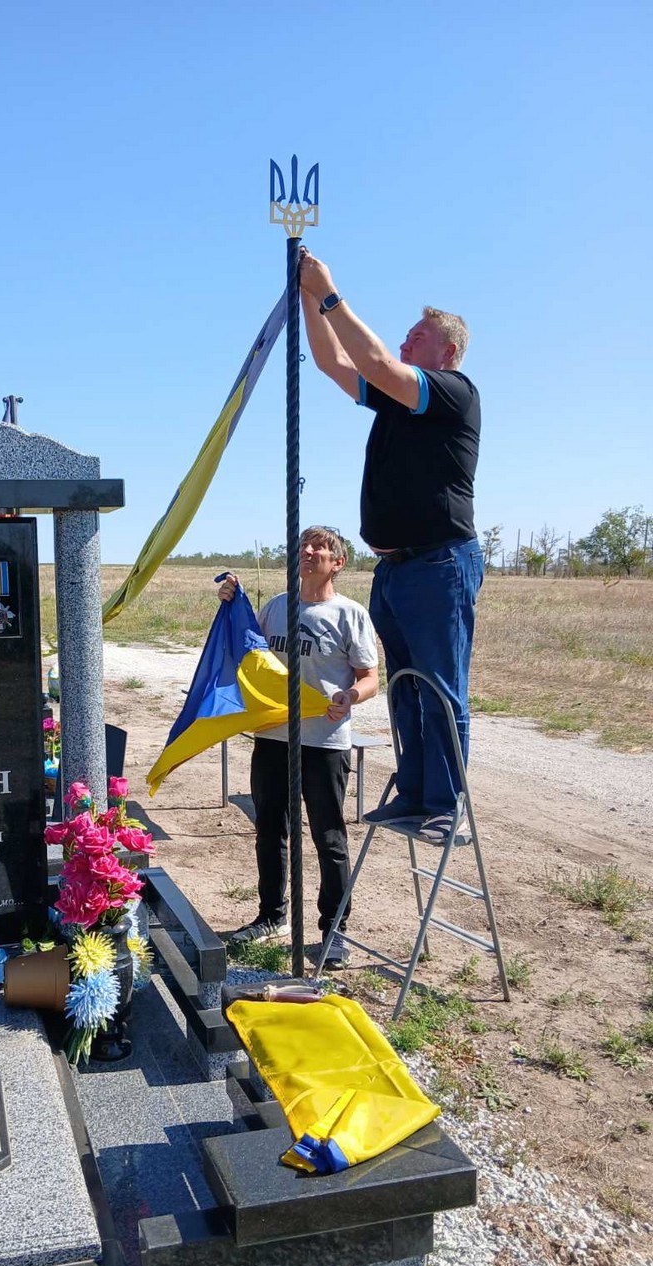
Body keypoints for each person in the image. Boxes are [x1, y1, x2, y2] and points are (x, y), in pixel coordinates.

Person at [299, 250, 482, 843]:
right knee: (405, 687)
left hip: (439, 563)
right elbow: (332, 361)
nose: (405, 341)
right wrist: (305, 296)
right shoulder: (396, 399)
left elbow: (373, 358)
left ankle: (445, 807)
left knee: (440, 688)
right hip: (398, 570)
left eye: (418, 335)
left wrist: (329, 292)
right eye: (405, 334)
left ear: (447, 352)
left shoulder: (452, 391)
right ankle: (414, 794)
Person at [220, 527, 379, 967]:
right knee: (270, 831)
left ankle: (335, 930)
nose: (308, 552)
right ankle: (270, 915)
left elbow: (369, 676)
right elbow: (248, 652)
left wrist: (351, 697)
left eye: (319, 548)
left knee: (329, 838)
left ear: (337, 563)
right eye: (303, 546)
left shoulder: (349, 615)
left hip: (325, 742)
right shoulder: (275, 609)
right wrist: (231, 604)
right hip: (272, 738)